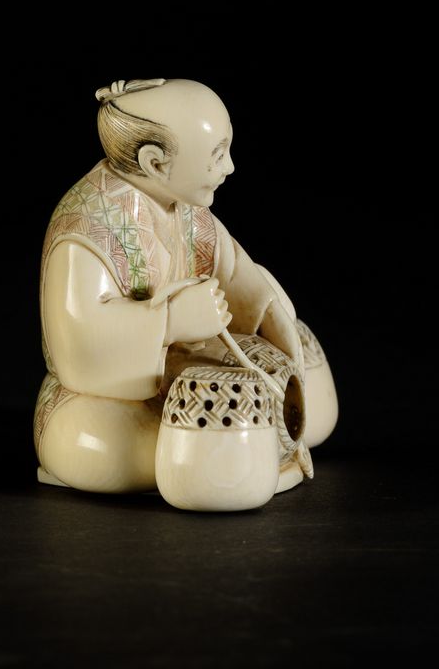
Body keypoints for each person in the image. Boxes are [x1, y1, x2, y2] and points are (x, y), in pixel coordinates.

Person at [35, 78, 304, 493]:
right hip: (101, 400)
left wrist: (271, 316)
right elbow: (79, 345)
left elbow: (236, 274)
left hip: (183, 376)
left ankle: (230, 456)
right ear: (155, 163)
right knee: (102, 444)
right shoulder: (87, 226)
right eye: (217, 156)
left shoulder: (186, 210)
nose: (230, 167)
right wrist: (170, 321)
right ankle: (231, 460)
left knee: (299, 366)